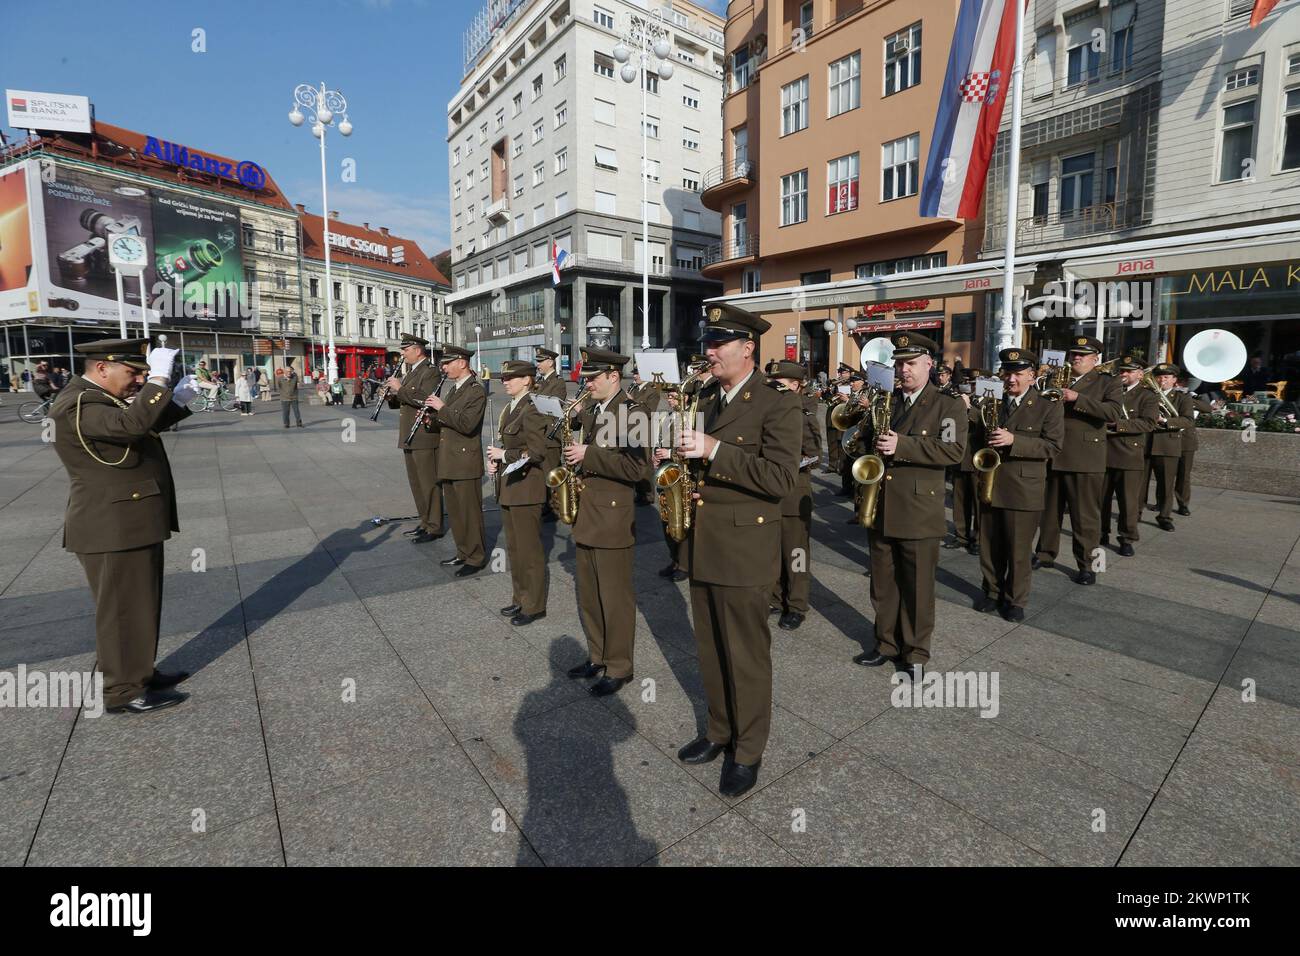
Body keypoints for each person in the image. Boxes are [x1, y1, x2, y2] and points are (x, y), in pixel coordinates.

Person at [674, 306, 799, 798]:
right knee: (709, 647)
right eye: (708, 341)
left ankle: (748, 749)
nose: (709, 351)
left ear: (747, 348)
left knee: (745, 654)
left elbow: (783, 479)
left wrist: (714, 452)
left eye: (719, 343)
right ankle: (718, 730)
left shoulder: (777, 403)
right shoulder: (705, 398)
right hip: (704, 540)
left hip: (746, 546)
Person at [49, 338, 199, 713]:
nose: (137, 380)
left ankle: (139, 672)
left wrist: (176, 401)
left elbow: (135, 429)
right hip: (111, 525)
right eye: (132, 372)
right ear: (102, 368)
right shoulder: (79, 403)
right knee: (121, 611)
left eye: (142, 373)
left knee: (140, 604)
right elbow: (131, 426)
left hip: (128, 519)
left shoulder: (97, 399)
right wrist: (160, 380)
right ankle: (122, 691)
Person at [853, 332, 966, 675]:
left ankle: (916, 652)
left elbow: (953, 451)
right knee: (883, 583)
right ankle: (886, 643)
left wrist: (903, 445)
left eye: (911, 363)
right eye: (899, 363)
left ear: (929, 365)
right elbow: (870, 446)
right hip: (882, 504)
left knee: (917, 586)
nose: (903, 370)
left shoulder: (948, 404)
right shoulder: (887, 401)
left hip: (918, 509)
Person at [564, 348, 648, 692]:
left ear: (614, 376)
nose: (587, 384)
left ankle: (619, 666)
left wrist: (590, 454)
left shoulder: (632, 411)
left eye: (593, 378)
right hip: (588, 511)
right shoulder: (596, 411)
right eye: (586, 378)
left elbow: (637, 468)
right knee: (589, 594)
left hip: (612, 517)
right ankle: (597, 655)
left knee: (614, 598)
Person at [965, 350, 1064, 622]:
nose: (1010, 379)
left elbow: (1053, 447)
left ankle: (1015, 599)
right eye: (1007, 373)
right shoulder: (990, 401)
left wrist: (1014, 441)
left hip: (1023, 488)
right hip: (989, 481)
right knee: (989, 545)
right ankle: (992, 591)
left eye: (1017, 374)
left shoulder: (1047, 405)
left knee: (1018, 550)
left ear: (1032, 376)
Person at [1033, 336, 1123, 585]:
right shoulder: (1053, 378)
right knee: (1049, 512)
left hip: (1085, 458)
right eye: (1074, 354)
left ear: (1096, 359)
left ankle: (1089, 565)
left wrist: (1077, 399)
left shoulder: (1108, 381)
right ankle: (1045, 553)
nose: (1077, 358)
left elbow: (1113, 413)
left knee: (1086, 518)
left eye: (1083, 355)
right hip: (1053, 453)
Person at [487, 360, 551, 626]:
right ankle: (520, 597)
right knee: (515, 549)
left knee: (530, 551)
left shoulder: (532, 408)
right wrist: (496, 460)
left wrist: (505, 455)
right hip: (510, 487)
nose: (505, 382)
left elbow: (536, 452)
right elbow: (509, 444)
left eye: (512, 378)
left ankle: (534, 605)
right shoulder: (511, 407)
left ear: (527, 380)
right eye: (504, 378)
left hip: (527, 488)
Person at [766, 360, 821, 631]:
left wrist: (787, 462)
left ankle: (797, 604)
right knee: (773, 550)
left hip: (793, 493)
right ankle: (776, 597)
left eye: (781, 384)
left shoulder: (803, 414)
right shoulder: (771, 412)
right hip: (771, 492)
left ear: (796, 386)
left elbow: (814, 455)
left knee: (796, 552)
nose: (774, 388)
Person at [424, 345, 487, 576]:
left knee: (469, 513)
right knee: (457, 513)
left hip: (464, 461)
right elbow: (450, 420)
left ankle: (476, 556)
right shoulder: (454, 389)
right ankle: (463, 552)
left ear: (462, 362)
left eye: (448, 363)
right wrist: (432, 419)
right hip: (449, 459)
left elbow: (468, 424)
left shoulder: (476, 391)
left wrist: (441, 409)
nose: (444, 367)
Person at [388, 335, 444, 544]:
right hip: (409, 435)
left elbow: (423, 398)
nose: (402, 354)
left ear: (417, 350)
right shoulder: (412, 372)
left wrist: (399, 388)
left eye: (406, 350)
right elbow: (402, 402)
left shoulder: (430, 371)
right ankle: (425, 521)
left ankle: (435, 526)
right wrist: (391, 395)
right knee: (416, 483)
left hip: (423, 435)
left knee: (428, 483)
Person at [1101, 356, 1158, 556]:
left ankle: (1126, 538)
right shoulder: (1108, 391)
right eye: (1122, 371)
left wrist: (1118, 425)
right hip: (1103, 451)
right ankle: (1101, 532)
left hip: (1129, 454)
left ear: (1140, 375)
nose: (1124, 374)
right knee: (1100, 498)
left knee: (1128, 501)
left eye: (1129, 371)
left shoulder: (1147, 396)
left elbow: (1148, 423)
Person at [1147, 363, 1197, 532]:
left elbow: (1188, 420)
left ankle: (1165, 516)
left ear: (1174, 380)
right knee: (1139, 485)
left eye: (1166, 377)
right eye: (1159, 377)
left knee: (1166, 484)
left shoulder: (1182, 398)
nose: (1162, 380)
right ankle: (1135, 513)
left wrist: (1166, 421)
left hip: (1167, 444)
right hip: (1146, 443)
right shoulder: (1148, 395)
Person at [534, 346, 568, 524]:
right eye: (537, 361)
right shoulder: (542, 381)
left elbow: (554, 408)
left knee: (551, 472)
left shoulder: (558, 382)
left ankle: (556, 509)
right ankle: (546, 506)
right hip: (541, 434)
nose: (537, 364)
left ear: (550, 362)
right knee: (542, 473)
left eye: (540, 361)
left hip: (551, 435)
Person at [1175, 379, 1212, 516]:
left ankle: (1183, 504)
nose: (1177, 386)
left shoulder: (1192, 397)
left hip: (1186, 440)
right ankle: (1161, 503)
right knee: (1165, 476)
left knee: (1184, 475)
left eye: (1179, 384)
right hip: (1166, 438)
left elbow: (1208, 408)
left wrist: (1187, 398)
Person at [824, 363, 853, 476]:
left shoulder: (851, 385)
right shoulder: (834, 384)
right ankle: (832, 466)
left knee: (841, 442)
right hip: (832, 414)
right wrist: (828, 391)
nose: (841, 374)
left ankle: (842, 467)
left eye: (844, 372)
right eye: (840, 372)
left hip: (842, 416)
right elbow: (826, 398)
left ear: (849, 374)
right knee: (831, 441)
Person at [278, 362, 304, 427]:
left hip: (294, 397)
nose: (289, 373)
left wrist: (299, 384)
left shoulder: (294, 377)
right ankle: (286, 423)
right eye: (287, 371)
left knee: (296, 411)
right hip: (284, 398)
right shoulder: (280, 378)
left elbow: (298, 384)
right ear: (284, 372)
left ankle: (299, 422)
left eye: (290, 371)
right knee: (286, 412)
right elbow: (279, 386)